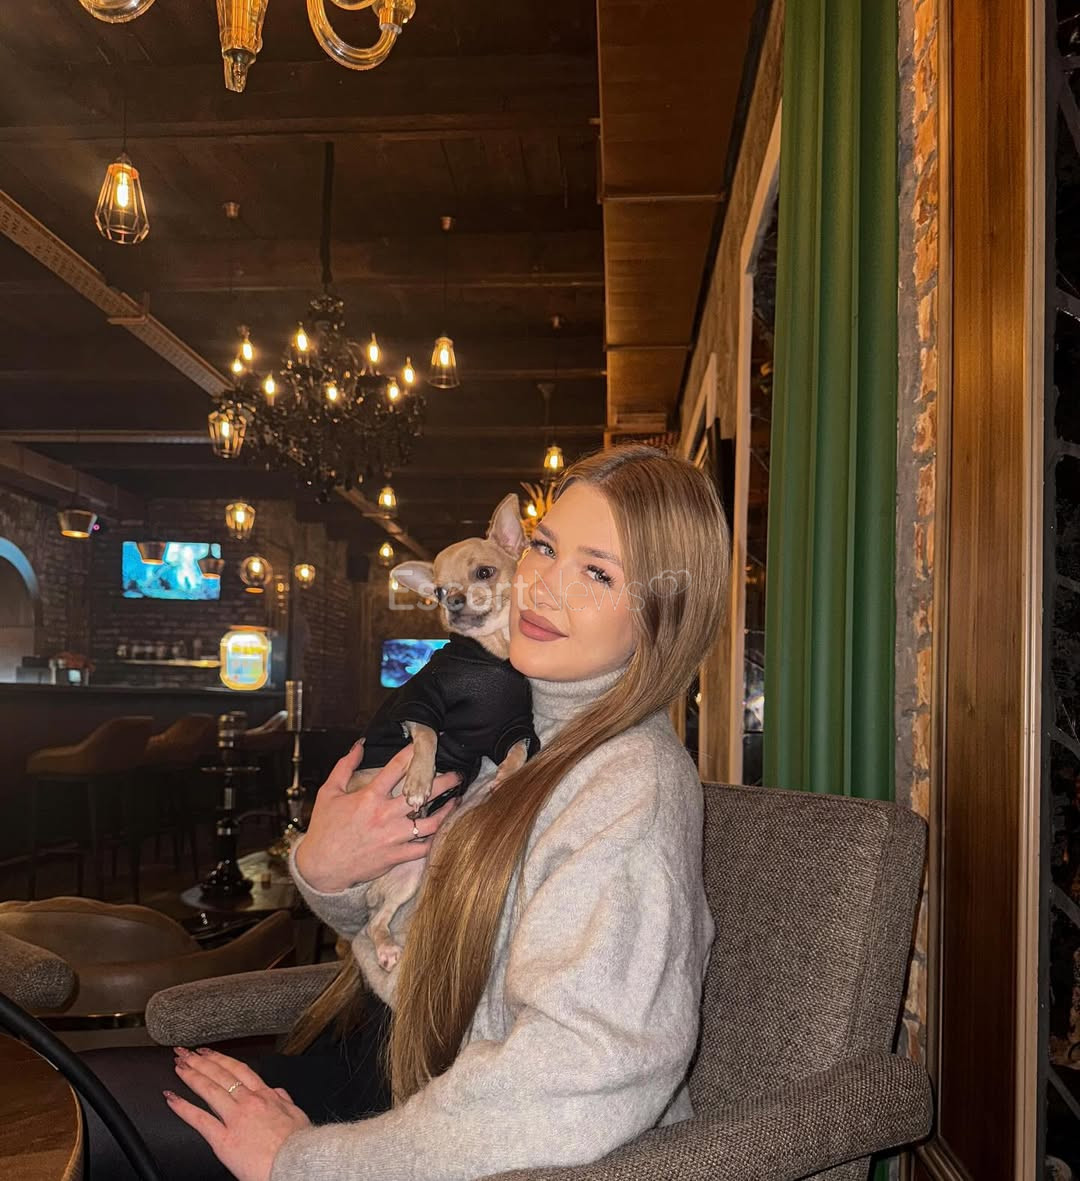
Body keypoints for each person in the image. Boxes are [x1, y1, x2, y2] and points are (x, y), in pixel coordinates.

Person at [95, 443, 731, 1181]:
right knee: (87, 1099)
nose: (543, 586)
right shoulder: (514, 726)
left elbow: (580, 1076)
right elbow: (432, 942)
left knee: (96, 1121)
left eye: (598, 572)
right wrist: (329, 870)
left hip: (471, 1133)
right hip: (395, 1063)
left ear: (663, 613)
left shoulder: (628, 785)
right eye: (545, 547)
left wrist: (301, 1163)